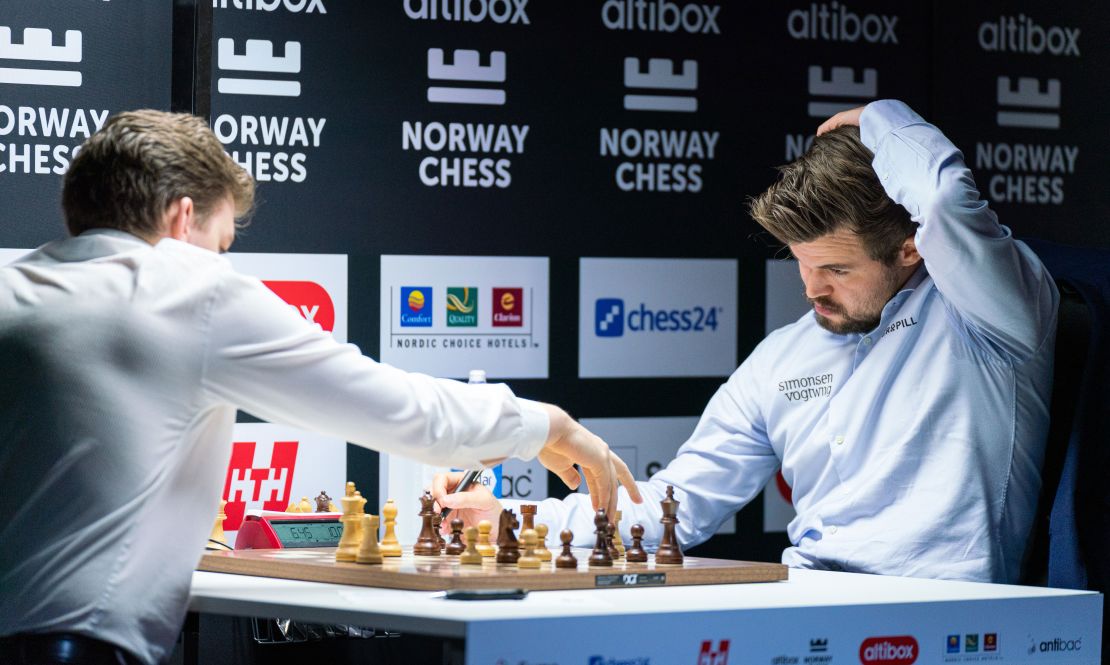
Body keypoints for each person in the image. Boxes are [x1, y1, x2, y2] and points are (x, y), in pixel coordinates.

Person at [0, 110, 639, 665]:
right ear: (181, 218)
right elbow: (404, 412)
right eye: (221, 244)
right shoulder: (188, 289)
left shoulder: (14, 286)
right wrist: (547, 425)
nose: (222, 263)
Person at [434, 99, 1058, 585]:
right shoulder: (780, 358)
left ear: (908, 249)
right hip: (805, 597)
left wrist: (879, 120)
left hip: (951, 615)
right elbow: (676, 503)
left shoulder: (988, 315)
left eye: (837, 271)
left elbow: (947, 198)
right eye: (802, 263)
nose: (813, 289)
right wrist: (510, 522)